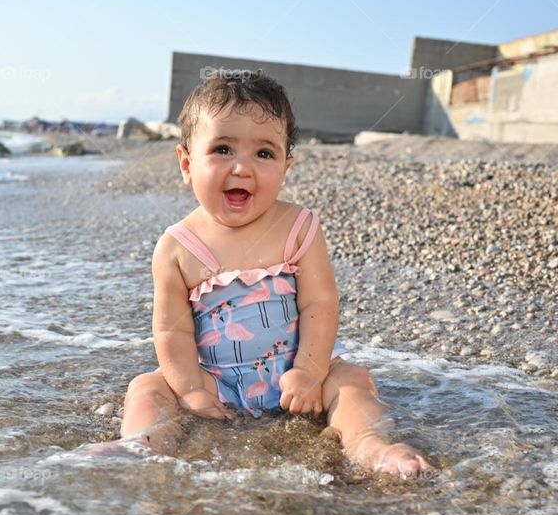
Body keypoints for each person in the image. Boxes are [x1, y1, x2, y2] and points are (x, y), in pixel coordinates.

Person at [112, 70, 434, 479]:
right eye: (223, 149)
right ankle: (141, 445)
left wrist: (311, 371)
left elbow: (320, 302)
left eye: (264, 154)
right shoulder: (176, 248)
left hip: (296, 372)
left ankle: (370, 446)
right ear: (186, 163)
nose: (243, 168)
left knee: (352, 381)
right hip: (216, 382)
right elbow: (171, 332)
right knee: (148, 387)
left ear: (286, 166)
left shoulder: (298, 226)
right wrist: (192, 390)